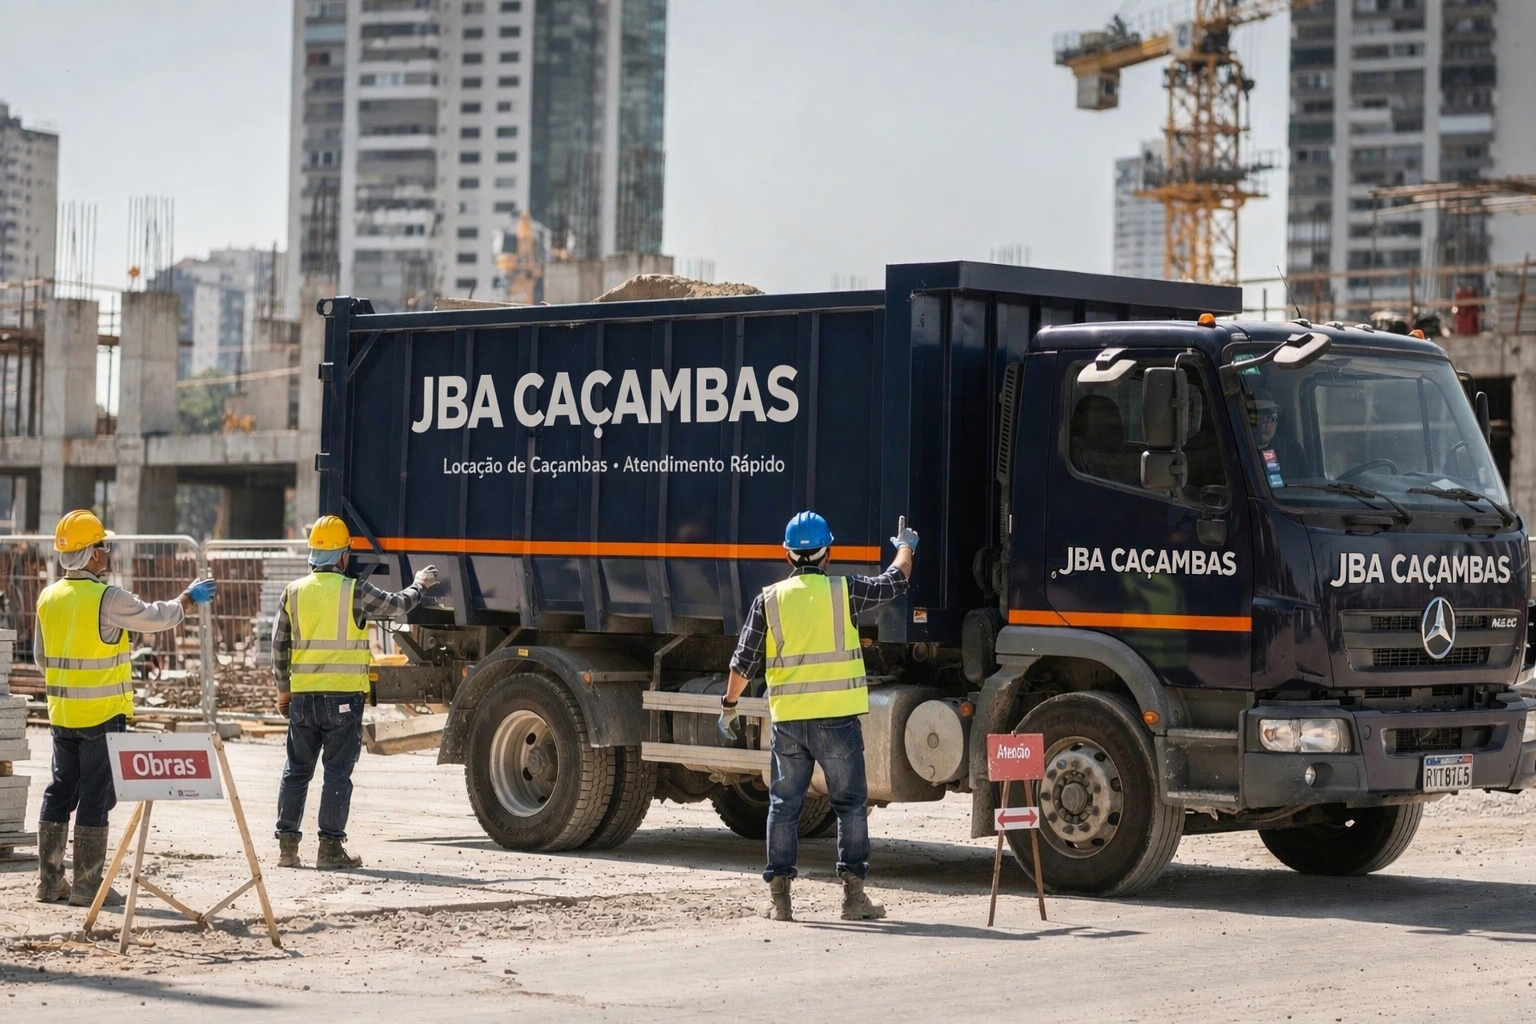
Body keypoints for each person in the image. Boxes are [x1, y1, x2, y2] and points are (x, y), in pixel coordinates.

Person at [718, 511, 917, 922]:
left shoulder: (768, 600)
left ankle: (780, 901)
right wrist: (904, 547)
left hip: (789, 723)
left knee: (784, 806)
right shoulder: (843, 593)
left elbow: (743, 664)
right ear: (828, 553)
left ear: (788, 554)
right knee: (850, 806)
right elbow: (895, 581)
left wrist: (730, 706)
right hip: (837, 722)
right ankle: (853, 898)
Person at [34, 510, 217, 906]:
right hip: (101, 715)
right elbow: (154, 617)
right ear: (92, 554)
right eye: (104, 545)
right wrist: (187, 598)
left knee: (61, 790)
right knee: (96, 795)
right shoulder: (107, 597)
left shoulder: (48, 597)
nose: (108, 551)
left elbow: (40, 658)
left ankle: (50, 883)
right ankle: (86, 887)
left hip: (61, 715)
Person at [272, 515, 438, 870]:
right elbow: (397, 606)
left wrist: (283, 691)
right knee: (336, 773)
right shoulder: (355, 590)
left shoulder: (293, 591)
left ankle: (287, 848)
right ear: (343, 556)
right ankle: (329, 850)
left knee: (296, 771)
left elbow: (279, 646)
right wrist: (420, 584)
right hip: (342, 701)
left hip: (302, 699)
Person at [1252, 388, 1313, 483]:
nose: (1263, 425)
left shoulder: (1292, 450)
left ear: (1276, 422)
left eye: (1269, 417)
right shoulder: (1236, 451)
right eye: (1257, 418)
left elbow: (1310, 481)